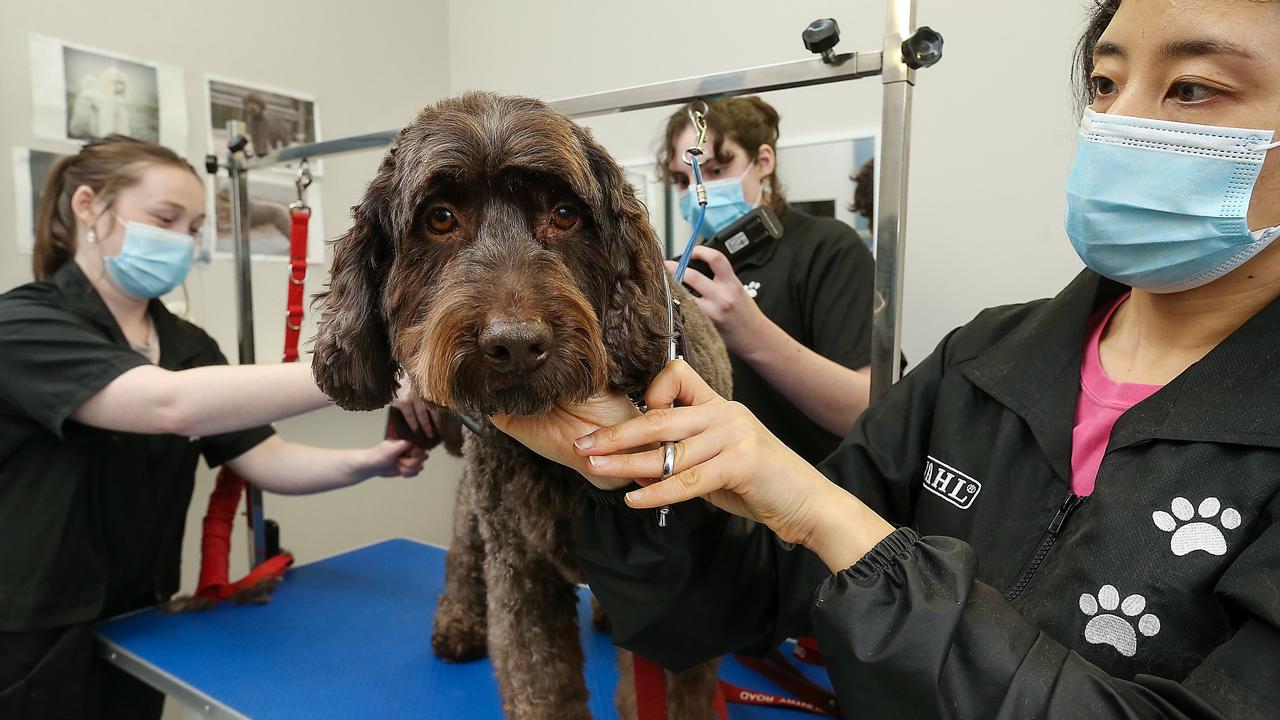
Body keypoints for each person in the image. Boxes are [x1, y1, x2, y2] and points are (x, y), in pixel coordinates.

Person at [494, 1, 1280, 717]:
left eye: (1194, 88)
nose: (1119, 122)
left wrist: (833, 520)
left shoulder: (830, 255)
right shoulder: (987, 362)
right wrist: (623, 466)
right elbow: (740, 597)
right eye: (1105, 83)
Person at [0, 136, 430, 720]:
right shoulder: (23, 324)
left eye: (195, 227)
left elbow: (264, 458)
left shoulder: (187, 345)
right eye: (165, 218)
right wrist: (373, 374)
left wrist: (367, 463)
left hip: (140, 618)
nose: (182, 240)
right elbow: (168, 405)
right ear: (85, 205)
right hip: (27, 629)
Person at [660, 97, 875, 465]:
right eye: (683, 179)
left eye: (714, 171)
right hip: (712, 501)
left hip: (809, 492)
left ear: (763, 162)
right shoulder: (683, 269)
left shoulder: (826, 247)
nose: (698, 193)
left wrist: (751, 334)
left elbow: (865, 412)